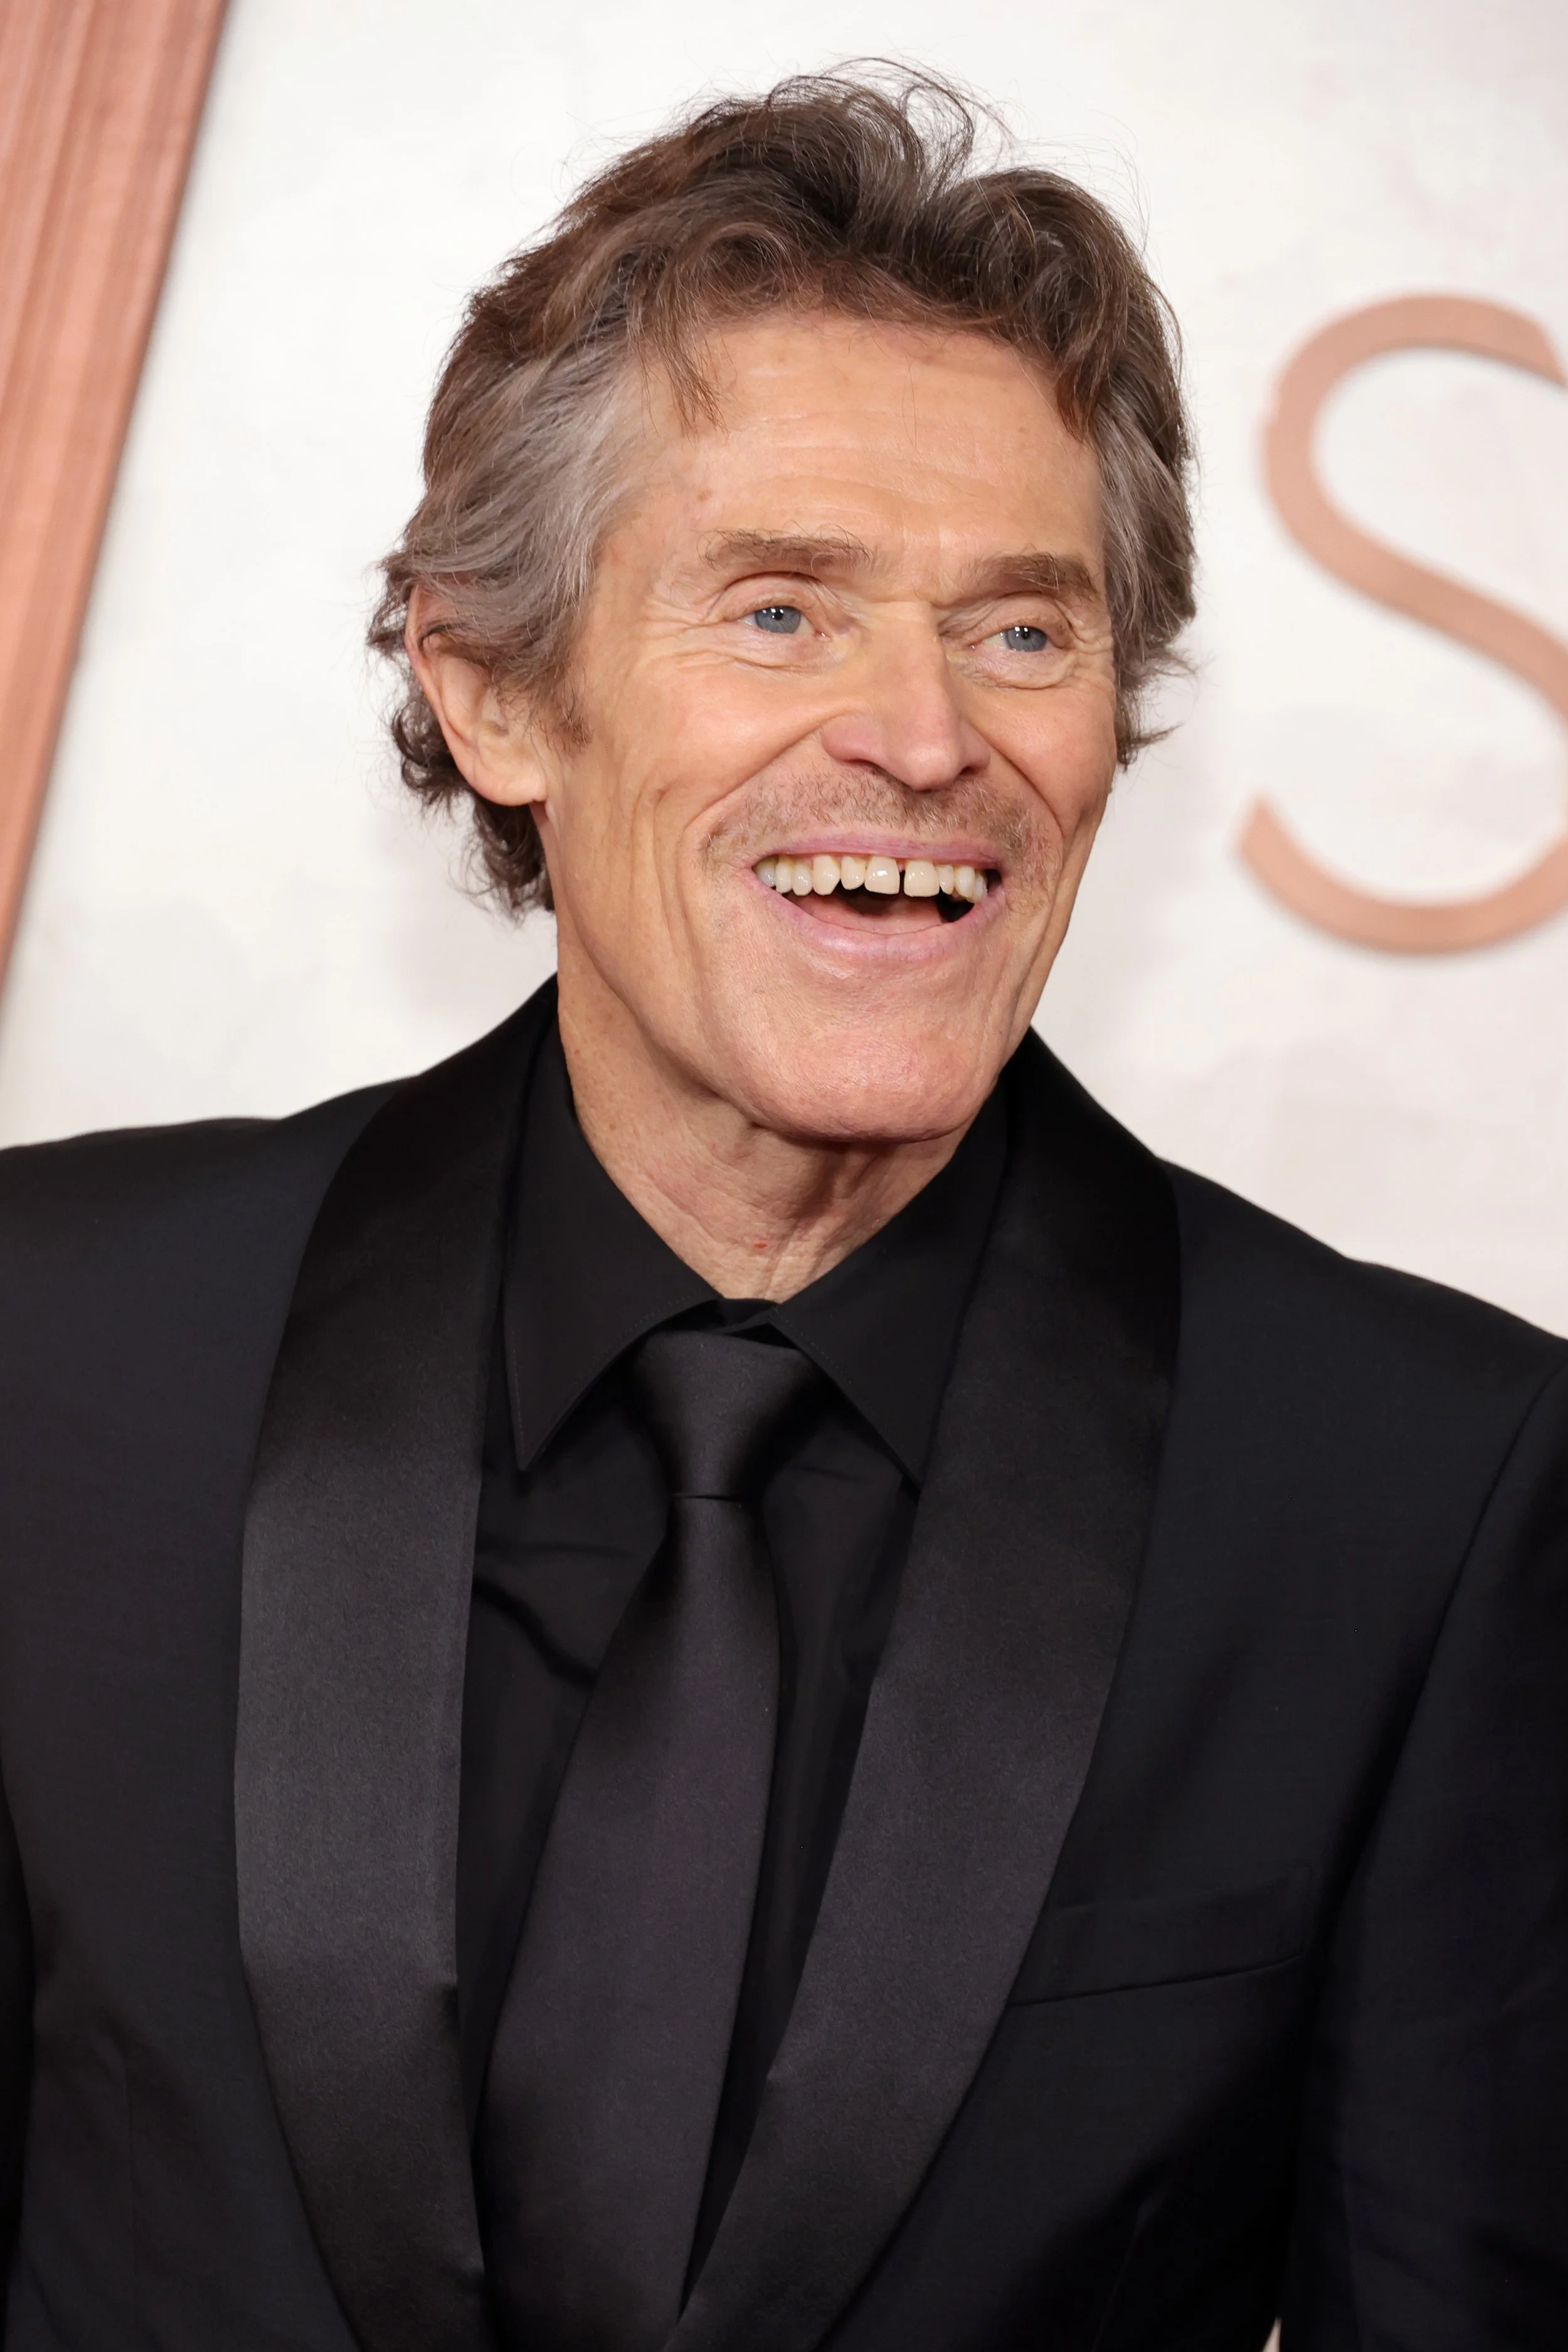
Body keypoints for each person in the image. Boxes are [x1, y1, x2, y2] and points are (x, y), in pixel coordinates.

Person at [0, 67, 1563, 2352]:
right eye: (778, 612)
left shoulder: (1421, 1488)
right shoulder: (55, 1352)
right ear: (493, 686)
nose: (927, 737)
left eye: (1022, 632)